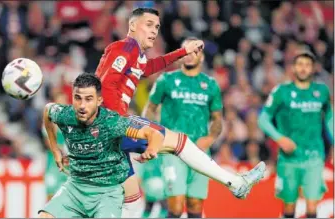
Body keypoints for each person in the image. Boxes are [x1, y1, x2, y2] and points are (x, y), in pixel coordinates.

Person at [95, 7, 266, 217]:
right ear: (132, 25)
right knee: (180, 143)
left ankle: (236, 183)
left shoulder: (135, 54)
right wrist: (118, 120)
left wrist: (182, 52)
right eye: (148, 25)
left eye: (157, 27)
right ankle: (236, 183)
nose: (154, 31)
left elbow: (148, 68)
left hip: (107, 128)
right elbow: (105, 84)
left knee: (128, 200)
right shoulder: (125, 47)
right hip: (110, 124)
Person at [38, 73, 165, 218]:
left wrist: (152, 149)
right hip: (75, 187)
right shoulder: (65, 115)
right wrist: (55, 150)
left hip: (107, 192)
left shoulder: (112, 122)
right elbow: (48, 110)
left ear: (99, 100)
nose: (82, 106)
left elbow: (155, 134)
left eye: (89, 99)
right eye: (77, 98)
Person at [143, 37, 223, 218]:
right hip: (173, 150)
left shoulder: (211, 85)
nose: (189, 54)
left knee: (195, 205)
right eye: (186, 50)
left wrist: (210, 138)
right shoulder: (166, 80)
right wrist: (153, 133)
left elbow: (218, 119)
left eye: (195, 51)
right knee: (176, 205)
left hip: (200, 152)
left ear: (201, 57)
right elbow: (150, 108)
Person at [258, 52, 334, 218]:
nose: (303, 68)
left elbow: (329, 117)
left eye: (307, 64)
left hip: (314, 156)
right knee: (289, 207)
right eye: (299, 64)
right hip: (289, 159)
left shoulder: (321, 91)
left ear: (313, 68)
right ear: (293, 67)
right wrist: (279, 138)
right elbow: (263, 118)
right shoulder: (282, 91)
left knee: (312, 207)